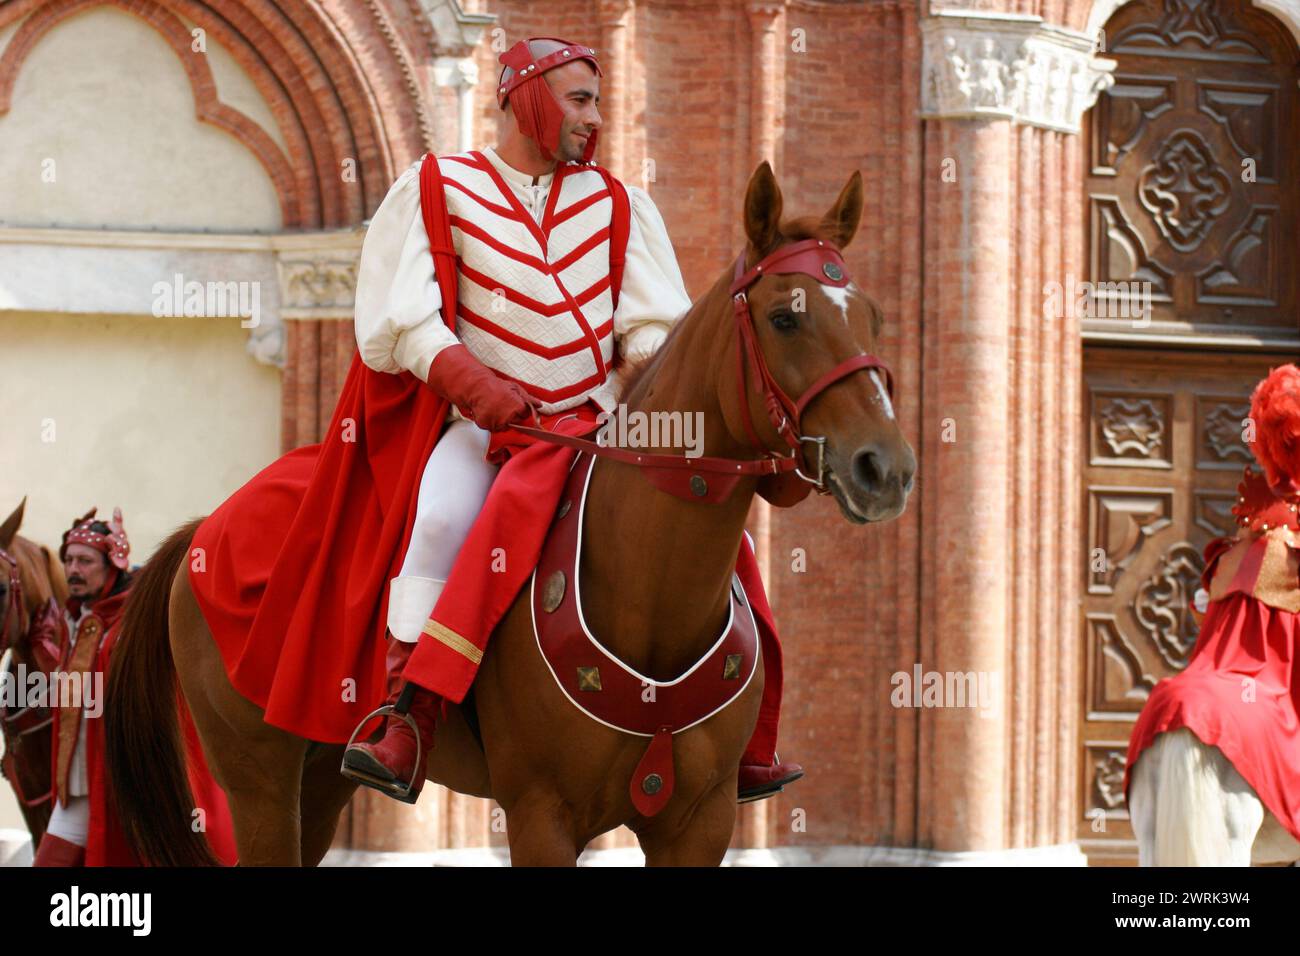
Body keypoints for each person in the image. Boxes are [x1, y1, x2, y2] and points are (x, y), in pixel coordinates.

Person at [339, 36, 802, 804]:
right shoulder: (439, 186)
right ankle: (407, 718)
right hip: (488, 432)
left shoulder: (620, 205)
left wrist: (658, 386)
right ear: (526, 96)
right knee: (443, 518)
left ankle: (744, 735)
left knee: (720, 530)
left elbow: (653, 328)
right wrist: (475, 385)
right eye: (580, 100)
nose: (596, 118)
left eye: (597, 101)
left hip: (599, 427)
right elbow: (401, 322)